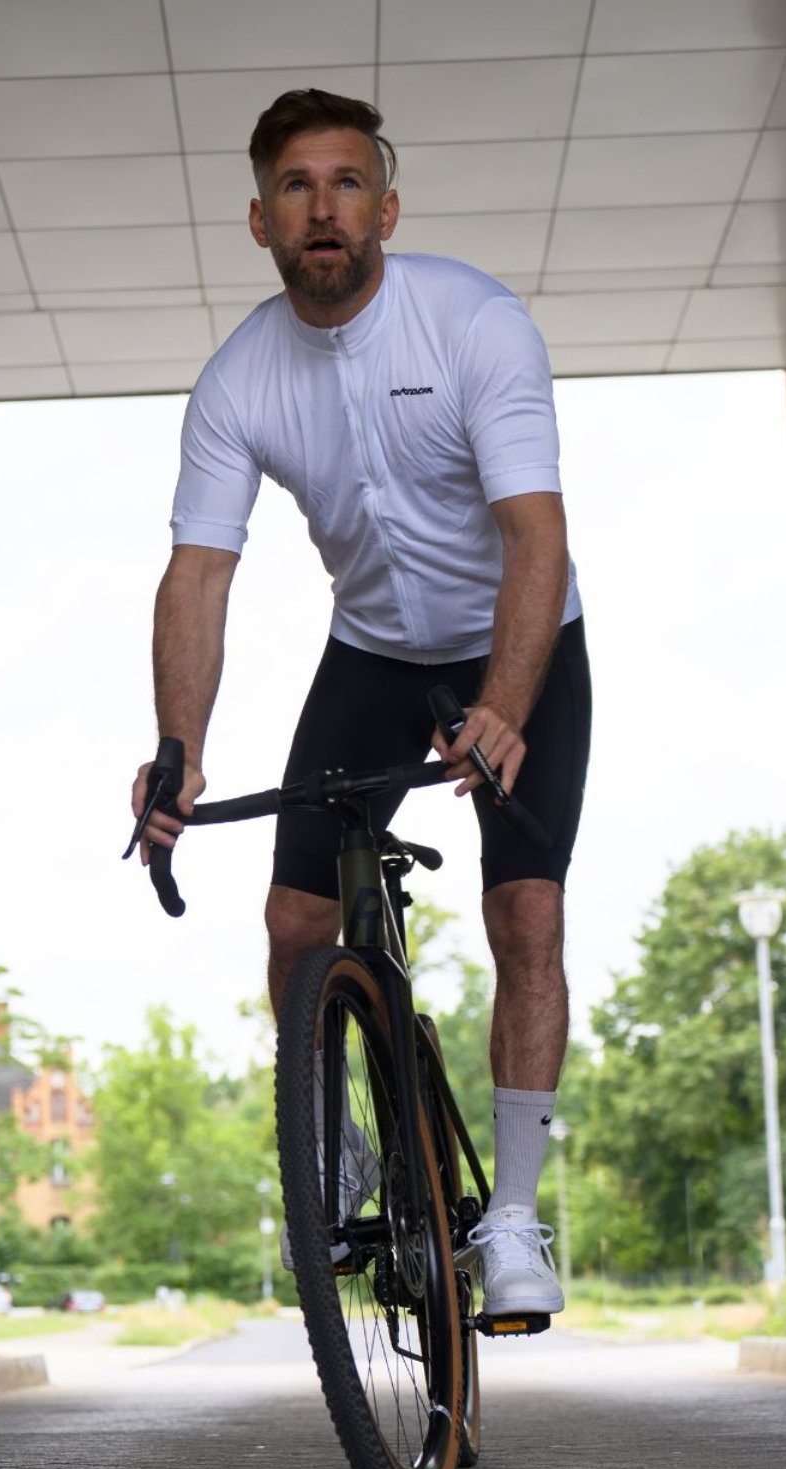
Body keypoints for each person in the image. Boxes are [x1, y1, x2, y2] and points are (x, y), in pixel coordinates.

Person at [130, 88, 591, 1318]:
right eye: (295, 187)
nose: (321, 207)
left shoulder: (473, 323)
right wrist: (180, 748)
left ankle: (509, 1226)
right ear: (260, 221)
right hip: (375, 651)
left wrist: (502, 704)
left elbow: (534, 538)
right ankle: (334, 1153)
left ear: (384, 208)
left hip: (523, 637)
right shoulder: (236, 383)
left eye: (344, 184)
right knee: (292, 922)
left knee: (526, 915)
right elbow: (200, 572)